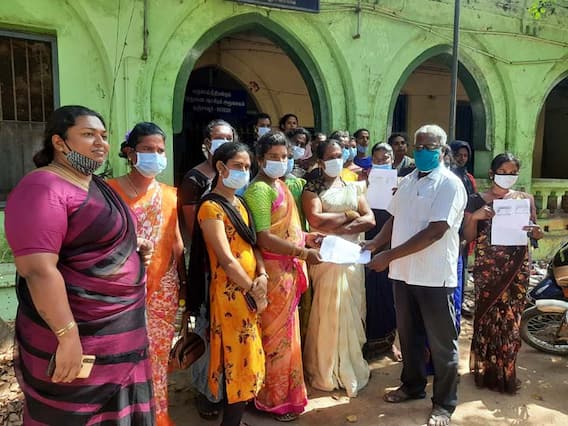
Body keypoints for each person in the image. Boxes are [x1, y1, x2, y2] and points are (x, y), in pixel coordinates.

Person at [4, 105, 155, 424]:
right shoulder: (42, 188)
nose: (100, 143)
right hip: (78, 335)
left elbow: (95, 240)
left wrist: (131, 248)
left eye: (104, 135)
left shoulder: (97, 185)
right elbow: (37, 269)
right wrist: (68, 337)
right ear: (59, 142)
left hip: (122, 334)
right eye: (88, 135)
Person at [365, 124, 467, 426]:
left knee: (442, 343)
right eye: (418, 146)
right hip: (403, 274)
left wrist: (388, 256)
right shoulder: (408, 180)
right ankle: (412, 386)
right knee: (409, 336)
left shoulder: (449, 184)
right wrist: (375, 243)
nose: (422, 151)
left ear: (442, 151)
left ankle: (444, 404)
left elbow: (436, 231)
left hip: (434, 276)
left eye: (429, 147)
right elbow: (394, 219)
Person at [107, 122, 184, 426]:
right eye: (148, 149)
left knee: (157, 359)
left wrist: (185, 285)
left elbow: (176, 242)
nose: (156, 155)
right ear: (130, 152)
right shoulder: (109, 191)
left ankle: (156, 416)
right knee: (121, 357)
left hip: (163, 288)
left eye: (160, 150)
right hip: (119, 290)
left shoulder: (170, 195)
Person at [244, 131, 322, 421]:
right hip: (273, 272)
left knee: (287, 336)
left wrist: (308, 238)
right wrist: (302, 252)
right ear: (260, 159)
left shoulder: (281, 186)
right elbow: (263, 237)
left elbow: (287, 230)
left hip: (287, 270)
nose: (281, 161)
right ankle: (272, 398)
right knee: (274, 337)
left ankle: (285, 394)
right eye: (274, 157)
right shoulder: (259, 190)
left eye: (285, 156)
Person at [195, 142, 268, 426]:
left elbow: (252, 244)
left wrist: (262, 275)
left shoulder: (240, 203)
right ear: (220, 167)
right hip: (230, 296)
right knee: (236, 359)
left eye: (248, 167)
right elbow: (226, 259)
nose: (244, 172)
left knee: (247, 356)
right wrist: (252, 288)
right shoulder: (211, 207)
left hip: (249, 290)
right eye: (238, 166)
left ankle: (235, 420)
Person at [463, 153, 543, 394]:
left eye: (512, 173)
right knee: (487, 317)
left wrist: (537, 233)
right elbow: (467, 237)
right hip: (488, 270)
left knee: (510, 320)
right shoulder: (476, 200)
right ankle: (486, 370)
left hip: (517, 268)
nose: (508, 176)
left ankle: (505, 371)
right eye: (503, 172)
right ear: (492, 173)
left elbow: (534, 234)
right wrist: (475, 218)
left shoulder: (525, 200)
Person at [302, 139, 375, 397]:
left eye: (339, 154)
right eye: (330, 156)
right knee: (329, 310)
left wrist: (340, 229)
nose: (336, 159)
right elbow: (315, 219)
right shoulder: (312, 189)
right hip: (328, 257)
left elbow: (370, 220)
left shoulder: (354, 186)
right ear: (320, 162)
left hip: (352, 256)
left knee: (353, 310)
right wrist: (350, 215)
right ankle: (326, 370)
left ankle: (351, 365)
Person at [179, 118, 237, 420]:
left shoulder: (237, 175)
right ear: (206, 143)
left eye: (229, 137)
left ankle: (232, 388)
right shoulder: (195, 179)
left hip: (237, 267)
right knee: (207, 327)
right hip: (208, 266)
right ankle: (207, 391)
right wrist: (225, 261)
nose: (224, 142)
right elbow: (196, 231)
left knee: (233, 330)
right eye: (218, 138)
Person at [363, 142, 401, 361]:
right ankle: (366, 342)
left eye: (385, 159)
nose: (381, 162)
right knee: (368, 293)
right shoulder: (361, 181)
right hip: (367, 241)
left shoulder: (402, 184)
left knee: (389, 295)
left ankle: (389, 343)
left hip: (391, 245)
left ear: (392, 160)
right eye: (377, 160)